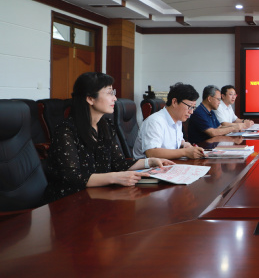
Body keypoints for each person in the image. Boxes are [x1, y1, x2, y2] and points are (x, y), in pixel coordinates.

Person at [45, 72, 174, 202]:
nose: (115, 98)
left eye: (113, 92)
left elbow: (118, 163)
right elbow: (72, 177)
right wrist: (114, 177)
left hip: (99, 194)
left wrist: (150, 162)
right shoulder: (66, 130)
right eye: (109, 93)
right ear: (90, 99)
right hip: (69, 200)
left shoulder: (105, 126)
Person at [133, 82, 205, 160]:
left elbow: (176, 140)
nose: (191, 112)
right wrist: (185, 152)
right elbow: (152, 153)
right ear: (174, 102)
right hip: (148, 166)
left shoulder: (178, 120)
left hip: (168, 163)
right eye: (189, 107)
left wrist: (184, 144)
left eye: (193, 107)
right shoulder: (154, 121)